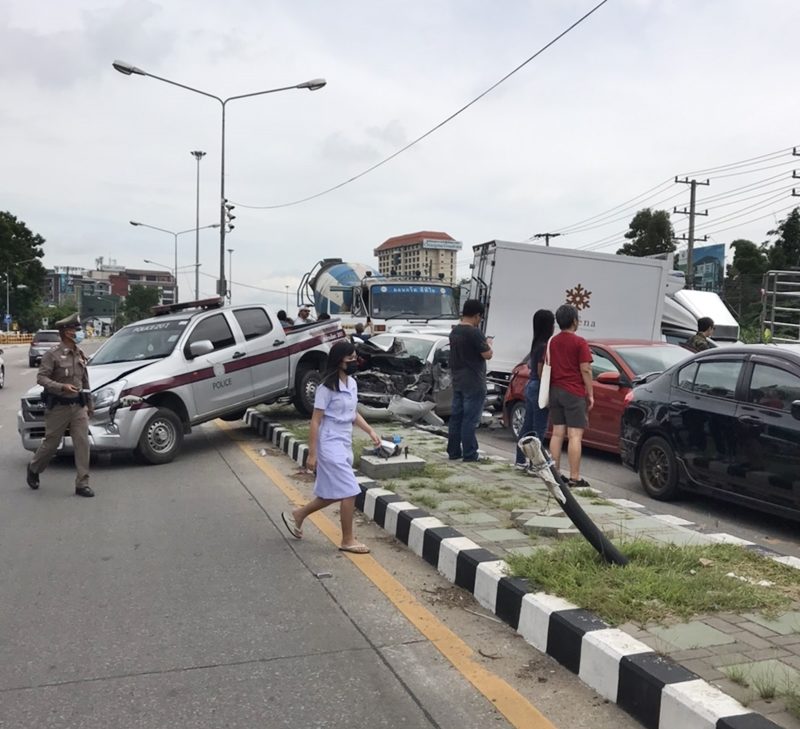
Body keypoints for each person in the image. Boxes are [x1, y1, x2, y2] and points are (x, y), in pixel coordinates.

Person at [281, 340, 380, 553]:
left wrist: (370, 431)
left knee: (332, 493)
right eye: (350, 359)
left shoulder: (351, 384)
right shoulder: (326, 388)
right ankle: (347, 540)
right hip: (329, 442)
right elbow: (315, 421)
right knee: (350, 490)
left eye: (355, 358)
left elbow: (352, 413)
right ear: (338, 361)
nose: (354, 362)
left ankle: (298, 515)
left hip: (344, 441)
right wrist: (312, 453)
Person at [26, 313, 95, 497]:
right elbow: (41, 377)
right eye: (74, 330)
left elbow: (84, 380)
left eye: (77, 329)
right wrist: (61, 386)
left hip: (78, 407)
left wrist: (89, 403)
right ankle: (34, 467)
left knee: (82, 443)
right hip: (58, 407)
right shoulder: (52, 354)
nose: (77, 333)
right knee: (51, 444)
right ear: (65, 332)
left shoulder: (79, 353)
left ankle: (82, 483)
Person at [546, 304, 593, 489]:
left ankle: (555, 473)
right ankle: (575, 477)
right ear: (574, 321)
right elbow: (586, 369)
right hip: (573, 392)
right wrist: (590, 393)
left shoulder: (552, 341)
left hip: (555, 390)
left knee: (557, 433)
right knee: (574, 436)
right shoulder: (580, 342)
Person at [447, 299, 493, 462]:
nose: (480, 320)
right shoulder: (474, 332)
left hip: (458, 379)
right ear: (476, 315)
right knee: (470, 419)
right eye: (480, 317)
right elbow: (487, 354)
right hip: (474, 380)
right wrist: (488, 344)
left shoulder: (455, 332)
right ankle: (470, 453)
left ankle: (453, 451)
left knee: (456, 417)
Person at [514, 309, 555, 469]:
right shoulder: (545, 346)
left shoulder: (536, 343)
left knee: (527, 426)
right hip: (539, 387)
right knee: (539, 427)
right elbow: (540, 370)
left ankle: (520, 460)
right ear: (548, 326)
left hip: (530, 386)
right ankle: (535, 462)